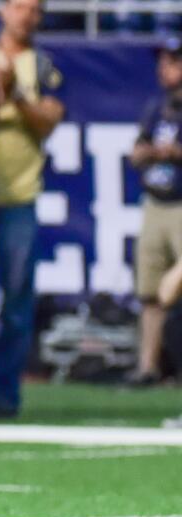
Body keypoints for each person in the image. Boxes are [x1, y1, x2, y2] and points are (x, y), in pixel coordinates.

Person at [0, 0, 65, 415]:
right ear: (2, 10)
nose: (26, 15)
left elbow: (50, 120)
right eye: (19, 6)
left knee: (16, 300)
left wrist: (14, 93)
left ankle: (4, 395)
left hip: (20, 193)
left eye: (34, 9)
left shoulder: (44, 65)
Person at [128, 37, 182, 388]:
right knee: (152, 291)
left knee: (172, 291)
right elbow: (136, 153)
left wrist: (175, 154)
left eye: (173, 62)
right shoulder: (156, 108)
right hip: (155, 202)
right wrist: (152, 153)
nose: (165, 69)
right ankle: (148, 366)